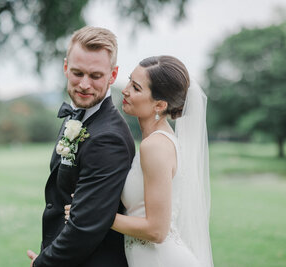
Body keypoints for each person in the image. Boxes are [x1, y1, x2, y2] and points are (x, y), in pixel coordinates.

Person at [65, 56, 214, 266]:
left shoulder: (155, 146)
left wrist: (89, 213)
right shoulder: (156, 141)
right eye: (129, 81)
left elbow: (156, 230)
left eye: (136, 88)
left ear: (159, 105)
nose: (125, 90)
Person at [27, 26, 135, 267]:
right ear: (66, 67)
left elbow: (86, 226)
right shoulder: (75, 116)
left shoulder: (109, 139)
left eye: (96, 76)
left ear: (113, 75)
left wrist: (42, 264)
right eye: (77, 73)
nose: (85, 84)